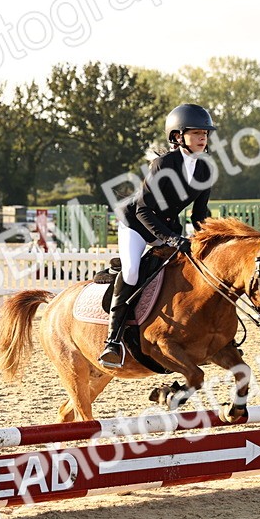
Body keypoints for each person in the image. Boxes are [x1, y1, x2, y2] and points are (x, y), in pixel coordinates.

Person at [98, 103, 216, 368]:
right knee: (131, 273)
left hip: (167, 225)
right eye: (196, 133)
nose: (202, 138)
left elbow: (199, 214)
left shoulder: (206, 169)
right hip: (136, 223)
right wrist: (172, 239)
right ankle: (112, 342)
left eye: (205, 133)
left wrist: (210, 237)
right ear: (177, 136)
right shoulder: (164, 164)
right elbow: (143, 210)